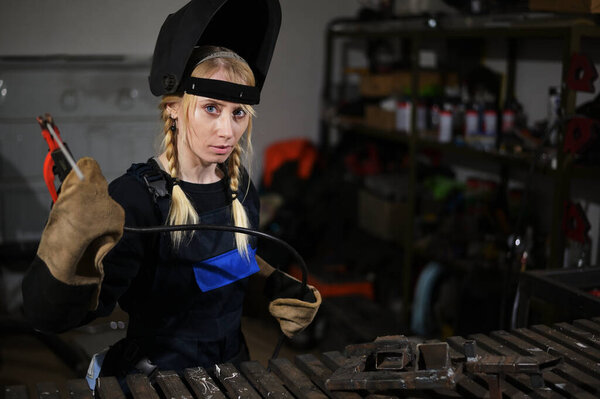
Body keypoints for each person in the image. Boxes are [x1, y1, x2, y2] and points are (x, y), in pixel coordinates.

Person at [21, 0, 321, 387]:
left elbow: (222, 273)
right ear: (175, 109)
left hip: (233, 373)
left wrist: (271, 285)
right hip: (159, 381)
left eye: (238, 112)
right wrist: (69, 252)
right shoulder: (136, 197)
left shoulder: (240, 188)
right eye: (211, 108)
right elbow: (59, 318)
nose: (228, 131)